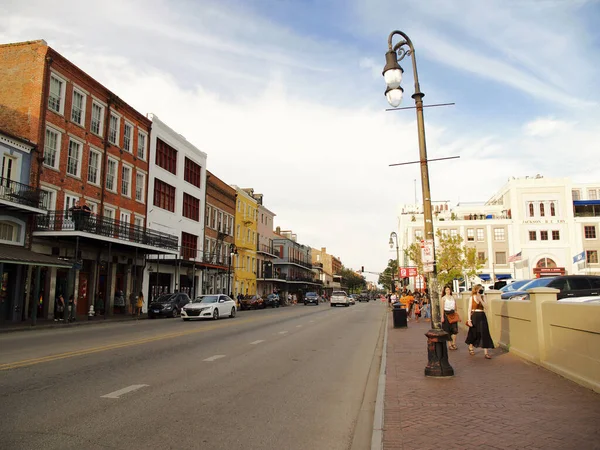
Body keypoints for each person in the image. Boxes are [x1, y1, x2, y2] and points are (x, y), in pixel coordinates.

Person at [465, 284, 494, 359]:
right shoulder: (472, 297)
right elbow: (469, 309)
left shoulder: (483, 297)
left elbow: (486, 307)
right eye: (480, 289)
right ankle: (471, 346)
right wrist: (469, 320)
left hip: (482, 316)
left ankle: (486, 352)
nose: (481, 290)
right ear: (476, 289)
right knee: (474, 332)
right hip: (474, 316)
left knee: (484, 332)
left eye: (482, 289)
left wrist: (481, 300)